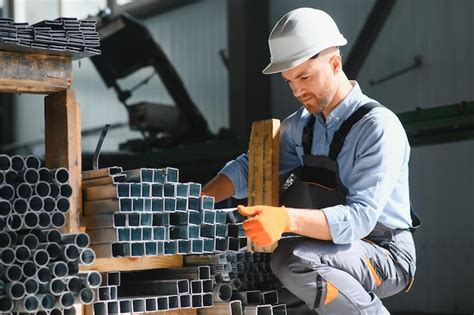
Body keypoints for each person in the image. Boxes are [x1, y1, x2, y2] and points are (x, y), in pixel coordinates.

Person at [203, 7, 419, 314]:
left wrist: (285, 219)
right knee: (265, 292)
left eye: (304, 76)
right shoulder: (303, 126)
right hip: (334, 250)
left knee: (294, 260)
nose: (297, 90)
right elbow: (252, 168)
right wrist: (199, 199)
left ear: (334, 63)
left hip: (387, 254)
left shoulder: (378, 127)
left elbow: (360, 219)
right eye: (290, 81)